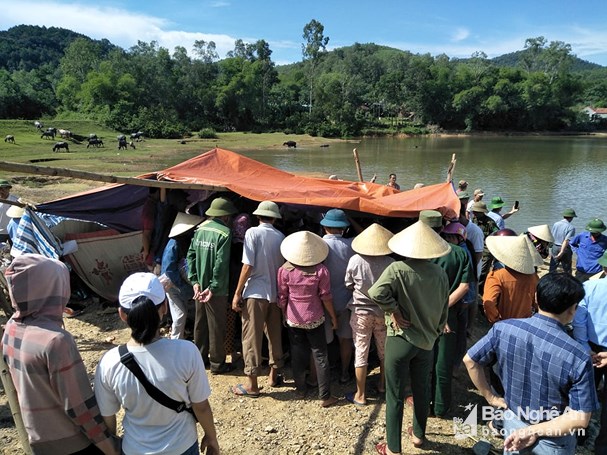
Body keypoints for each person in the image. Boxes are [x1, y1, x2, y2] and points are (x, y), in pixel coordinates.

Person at [464, 273, 597, 454]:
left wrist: (491, 397)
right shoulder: (578, 356)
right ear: (573, 309)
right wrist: (532, 431)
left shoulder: (503, 329)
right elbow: (580, 418)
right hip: (553, 440)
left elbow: (470, 360)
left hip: (513, 424)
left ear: (536, 297)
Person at [2, 254, 119, 455]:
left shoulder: (12, 327)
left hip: (39, 441)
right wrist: (111, 448)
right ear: (51, 288)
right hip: (73, 444)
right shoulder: (56, 341)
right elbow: (79, 408)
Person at [94, 273, 219, 455]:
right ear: (165, 308)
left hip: (135, 449)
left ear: (122, 314)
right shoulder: (187, 351)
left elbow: (107, 417)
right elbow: (201, 406)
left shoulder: (109, 362)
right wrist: (211, 437)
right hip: (182, 447)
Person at [369, 221, 450, 453]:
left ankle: (393, 448)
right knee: (421, 389)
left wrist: (393, 309)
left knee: (395, 396)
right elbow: (444, 310)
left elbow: (376, 292)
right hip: (427, 342)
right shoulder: (440, 273)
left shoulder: (397, 269)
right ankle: (418, 436)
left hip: (400, 338)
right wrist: (433, 333)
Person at [277, 230, 339, 408]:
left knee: (297, 353)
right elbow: (326, 297)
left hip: (293, 318)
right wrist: (333, 317)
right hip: (315, 318)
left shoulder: (284, 270)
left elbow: (282, 297)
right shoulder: (321, 270)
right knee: (320, 355)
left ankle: (301, 389)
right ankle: (325, 396)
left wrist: (284, 315)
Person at [420, 211, 472, 419]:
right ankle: (441, 406)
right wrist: (443, 310)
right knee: (443, 362)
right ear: (442, 227)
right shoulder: (459, 253)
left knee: (422, 361)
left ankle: (423, 404)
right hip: (448, 315)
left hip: (421, 313)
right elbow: (465, 287)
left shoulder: (416, 251)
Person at [230, 201, 285, 397]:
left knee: (251, 337)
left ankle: (252, 383)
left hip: (255, 292)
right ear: (275, 217)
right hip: (275, 294)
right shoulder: (281, 237)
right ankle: (274, 374)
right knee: (274, 334)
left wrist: (237, 293)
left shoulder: (252, 233)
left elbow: (247, 266)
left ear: (258, 216)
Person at [344, 223, 394, 406]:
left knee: (361, 352)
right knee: (384, 351)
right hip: (383, 313)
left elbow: (348, 284)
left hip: (360, 312)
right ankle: (382, 385)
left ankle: (361, 394)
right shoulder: (391, 263)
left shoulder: (355, 260)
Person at [187, 196, 238, 374]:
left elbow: (191, 256)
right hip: (216, 290)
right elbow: (220, 264)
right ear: (226, 216)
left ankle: (200, 360)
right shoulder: (225, 233)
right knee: (216, 326)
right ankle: (217, 364)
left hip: (199, 287)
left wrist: (194, 282)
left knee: (200, 325)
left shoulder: (200, 229)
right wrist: (213, 287)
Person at [572, 251, 607, 453]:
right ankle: (603, 446)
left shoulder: (589, 287)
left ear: (603, 268)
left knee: (584, 391)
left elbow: (579, 320)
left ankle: (579, 434)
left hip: (590, 347)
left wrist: (585, 347)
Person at [320, 208, 355, 384]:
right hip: (346, 301)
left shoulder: (318, 244)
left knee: (322, 342)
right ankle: (344, 373)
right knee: (345, 339)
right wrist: (352, 221)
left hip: (322, 301)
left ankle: (322, 375)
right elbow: (369, 237)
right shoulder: (351, 245)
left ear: (325, 226)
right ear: (344, 228)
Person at [161, 212, 203, 339]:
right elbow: (169, 269)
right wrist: (183, 287)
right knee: (180, 315)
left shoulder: (183, 242)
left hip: (179, 284)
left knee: (185, 314)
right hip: (173, 285)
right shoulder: (174, 244)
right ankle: (176, 341)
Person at [482, 235, 540, 323]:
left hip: (504, 322)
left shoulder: (497, 277)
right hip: (526, 323)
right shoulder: (534, 277)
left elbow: (489, 303)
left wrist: (496, 318)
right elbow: (537, 303)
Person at [570, 218, 607, 282]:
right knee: (578, 290)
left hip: (595, 272)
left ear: (600, 231)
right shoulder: (582, 236)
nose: (593, 233)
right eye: (592, 231)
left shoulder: (605, 241)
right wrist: (577, 252)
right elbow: (572, 243)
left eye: (596, 232)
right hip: (581, 270)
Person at [550, 208, 577, 274]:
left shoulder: (556, 224)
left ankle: (550, 279)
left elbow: (551, 235)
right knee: (567, 268)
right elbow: (566, 240)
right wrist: (562, 252)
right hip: (565, 249)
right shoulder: (571, 227)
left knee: (553, 267)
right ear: (571, 217)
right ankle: (568, 281)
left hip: (555, 247)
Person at [0, 179, 18, 243]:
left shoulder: (16, 200)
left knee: (15, 251)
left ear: (8, 189)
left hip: (13, 230)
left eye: (5, 189)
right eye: (1, 189)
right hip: (0, 232)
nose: (2, 191)